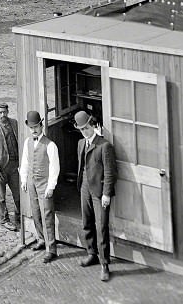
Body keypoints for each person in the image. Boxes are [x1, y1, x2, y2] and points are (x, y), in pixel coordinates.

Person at [74, 110, 117, 282]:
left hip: (99, 192)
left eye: (86, 128)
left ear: (93, 125)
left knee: (102, 227)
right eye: (81, 129)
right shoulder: (80, 143)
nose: (84, 131)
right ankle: (91, 253)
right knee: (86, 222)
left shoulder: (104, 146)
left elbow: (110, 172)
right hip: (85, 187)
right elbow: (81, 166)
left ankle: (104, 264)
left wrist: (106, 193)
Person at [20, 110, 60, 263]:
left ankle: (52, 249)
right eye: (31, 127)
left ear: (41, 126)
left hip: (44, 183)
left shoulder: (50, 145)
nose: (34, 130)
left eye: (36, 127)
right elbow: (25, 162)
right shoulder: (27, 142)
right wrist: (24, 179)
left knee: (47, 214)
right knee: (36, 211)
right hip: (31, 181)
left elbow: (54, 167)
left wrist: (51, 186)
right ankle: (41, 240)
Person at [0, 103, 20, 231]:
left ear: (8, 111)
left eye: (4, 112)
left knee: (18, 195)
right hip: (1, 167)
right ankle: (4, 219)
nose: (3, 115)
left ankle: (19, 217)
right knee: (0, 197)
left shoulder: (14, 123)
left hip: (14, 166)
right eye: (0, 113)